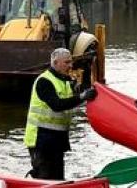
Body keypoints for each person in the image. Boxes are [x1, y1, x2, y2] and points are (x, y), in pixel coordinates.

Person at [24, 48, 97, 180]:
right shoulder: (44, 81)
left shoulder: (65, 81)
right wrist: (81, 97)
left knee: (58, 180)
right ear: (56, 63)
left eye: (71, 62)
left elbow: (71, 100)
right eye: (67, 62)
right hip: (40, 140)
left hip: (56, 140)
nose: (70, 65)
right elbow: (57, 105)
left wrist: (86, 92)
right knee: (44, 179)